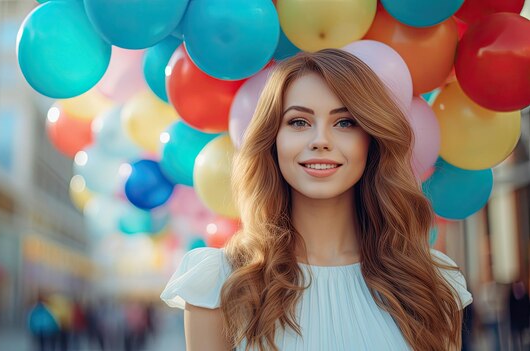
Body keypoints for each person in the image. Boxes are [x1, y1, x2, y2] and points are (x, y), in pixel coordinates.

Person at [160, 49, 473, 351]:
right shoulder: (220, 283)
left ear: (371, 141)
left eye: (345, 122)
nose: (321, 140)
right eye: (299, 122)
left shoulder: (432, 284)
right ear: (273, 140)